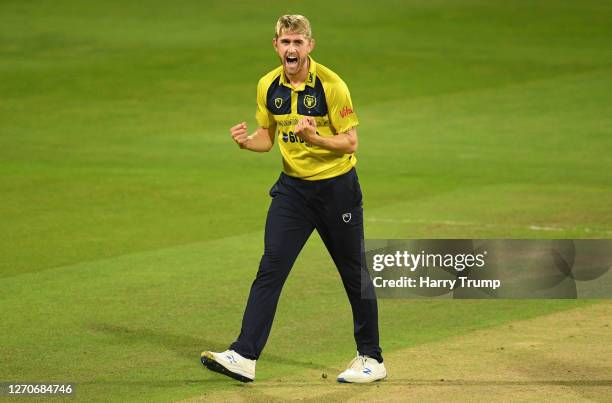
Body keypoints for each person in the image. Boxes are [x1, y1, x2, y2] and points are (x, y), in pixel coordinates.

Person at [201, 14, 386, 384]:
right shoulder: (268, 85)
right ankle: (244, 355)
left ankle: (372, 358)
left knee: (353, 274)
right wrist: (245, 142)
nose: (291, 48)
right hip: (293, 192)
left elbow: (350, 142)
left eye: (298, 42)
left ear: (310, 46)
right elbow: (266, 139)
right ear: (276, 46)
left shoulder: (331, 86)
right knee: (271, 266)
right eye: (285, 42)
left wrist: (316, 139)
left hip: (337, 190)